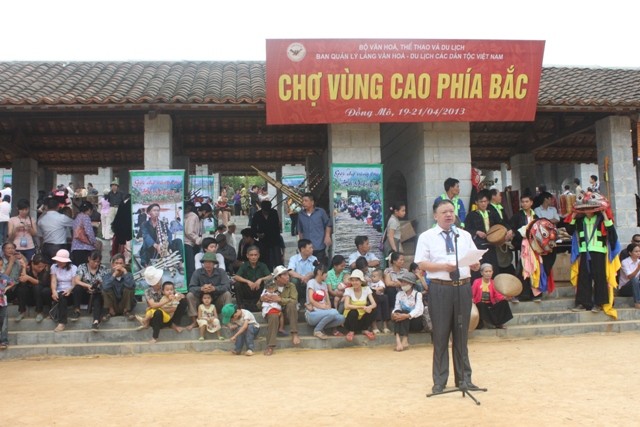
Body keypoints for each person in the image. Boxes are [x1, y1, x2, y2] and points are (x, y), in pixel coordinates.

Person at [415, 199, 482, 394]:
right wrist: (444, 267)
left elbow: (474, 258)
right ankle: (440, 381)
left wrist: (475, 264)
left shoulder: (464, 235)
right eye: (444, 212)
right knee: (441, 335)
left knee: (461, 335)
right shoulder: (427, 237)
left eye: (451, 211)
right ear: (435, 216)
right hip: (440, 288)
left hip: (462, 287)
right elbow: (422, 263)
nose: (449, 215)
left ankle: (464, 379)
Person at [566, 207, 620, 314]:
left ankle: (599, 304)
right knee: (583, 277)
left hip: (599, 251)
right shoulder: (580, 220)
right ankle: (583, 303)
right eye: (586, 208)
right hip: (584, 251)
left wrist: (605, 215)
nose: (587, 210)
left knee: (600, 277)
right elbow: (569, 231)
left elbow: (612, 233)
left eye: (590, 208)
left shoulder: (601, 219)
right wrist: (573, 216)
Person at [138, 266, 188, 339]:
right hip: (157, 315)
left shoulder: (165, 287)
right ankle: (155, 336)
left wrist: (179, 296)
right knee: (158, 312)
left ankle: (173, 323)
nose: (160, 281)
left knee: (183, 302)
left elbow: (178, 294)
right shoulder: (148, 291)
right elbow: (153, 305)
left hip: (169, 313)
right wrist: (166, 302)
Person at [262, 265, 301, 355]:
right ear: (278, 277)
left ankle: (294, 334)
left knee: (291, 305)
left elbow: (294, 300)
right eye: (285, 275)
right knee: (273, 315)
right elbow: (259, 304)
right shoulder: (270, 286)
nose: (288, 276)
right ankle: (270, 346)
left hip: (288, 315)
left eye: (288, 274)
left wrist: (280, 300)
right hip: (275, 314)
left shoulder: (291, 286)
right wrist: (263, 299)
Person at [187, 252, 232, 328]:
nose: (208, 264)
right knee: (189, 295)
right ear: (203, 263)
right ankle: (194, 321)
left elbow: (227, 286)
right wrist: (201, 288)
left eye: (210, 262)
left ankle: (227, 321)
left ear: (214, 264)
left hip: (216, 301)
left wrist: (215, 288)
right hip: (201, 303)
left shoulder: (221, 272)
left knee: (227, 294)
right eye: (205, 262)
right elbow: (191, 288)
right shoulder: (197, 272)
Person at [464, 189, 501, 277]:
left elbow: (500, 224)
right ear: (476, 202)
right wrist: (476, 232)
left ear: (488, 202)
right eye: (481, 202)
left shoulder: (492, 213)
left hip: (491, 245)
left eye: (485, 201)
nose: (483, 204)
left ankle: (492, 288)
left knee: (493, 268)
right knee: (479, 269)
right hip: (478, 247)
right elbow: (466, 229)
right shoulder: (471, 215)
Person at [305, 264, 345, 339]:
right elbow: (311, 300)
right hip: (312, 314)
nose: (327, 275)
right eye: (326, 272)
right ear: (320, 272)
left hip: (324, 312)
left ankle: (320, 327)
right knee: (333, 312)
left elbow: (328, 302)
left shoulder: (324, 284)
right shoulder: (311, 282)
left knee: (342, 318)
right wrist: (323, 307)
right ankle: (317, 330)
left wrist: (327, 307)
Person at [139, 203, 183, 267]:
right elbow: (146, 236)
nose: (156, 212)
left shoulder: (163, 223)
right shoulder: (144, 224)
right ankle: (147, 267)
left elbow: (169, 233)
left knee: (178, 241)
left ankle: (180, 264)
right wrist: (156, 245)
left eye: (158, 210)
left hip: (163, 247)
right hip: (152, 248)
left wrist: (167, 242)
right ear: (149, 213)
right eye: (154, 210)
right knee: (145, 244)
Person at [73, 250, 108, 331]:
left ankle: (96, 321)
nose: (96, 263)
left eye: (98, 262)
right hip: (85, 292)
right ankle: (77, 310)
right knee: (77, 288)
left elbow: (107, 282)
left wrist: (99, 284)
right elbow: (77, 280)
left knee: (98, 297)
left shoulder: (103, 268)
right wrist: (87, 286)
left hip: (97, 292)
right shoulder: (82, 267)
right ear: (89, 258)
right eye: (94, 261)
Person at [471, 264, 513, 329]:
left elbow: (497, 295)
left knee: (504, 302)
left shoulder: (493, 282)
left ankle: (499, 323)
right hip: (480, 304)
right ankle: (482, 323)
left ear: (492, 272)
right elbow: (472, 294)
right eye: (486, 271)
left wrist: (505, 298)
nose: (488, 273)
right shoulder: (477, 282)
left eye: (490, 271)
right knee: (481, 305)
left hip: (490, 304)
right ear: (482, 273)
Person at [391, 271, 425, 352]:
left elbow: (419, 310)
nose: (402, 284)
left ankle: (405, 339)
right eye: (402, 282)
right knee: (398, 312)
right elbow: (397, 307)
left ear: (411, 284)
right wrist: (394, 314)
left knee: (404, 313)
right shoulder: (399, 294)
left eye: (405, 282)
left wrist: (407, 316)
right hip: (403, 321)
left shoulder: (418, 294)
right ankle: (398, 340)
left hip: (415, 322)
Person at [297, 192, 332, 266]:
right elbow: (300, 231)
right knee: (308, 267)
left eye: (306, 201)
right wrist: (301, 245)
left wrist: (327, 236)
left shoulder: (321, 212)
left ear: (312, 202)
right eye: (303, 201)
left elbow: (328, 224)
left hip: (319, 245)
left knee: (320, 267)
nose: (303, 203)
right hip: (307, 249)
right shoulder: (301, 215)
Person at [233, 245, 271, 312]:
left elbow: (270, 276)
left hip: (259, 290)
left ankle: (263, 303)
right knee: (237, 284)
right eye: (251, 255)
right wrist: (248, 281)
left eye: (255, 255)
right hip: (248, 290)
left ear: (258, 255)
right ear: (247, 256)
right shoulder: (244, 266)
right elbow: (236, 277)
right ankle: (240, 306)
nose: (253, 257)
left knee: (268, 283)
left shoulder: (263, 265)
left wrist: (260, 279)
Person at [343, 269, 377, 341]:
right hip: (350, 321)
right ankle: (351, 331)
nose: (354, 282)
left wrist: (369, 307)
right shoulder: (348, 290)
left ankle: (365, 329)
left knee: (372, 310)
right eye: (353, 280)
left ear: (361, 281)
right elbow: (346, 306)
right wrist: (361, 307)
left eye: (357, 280)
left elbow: (374, 304)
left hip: (362, 319)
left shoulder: (366, 289)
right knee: (353, 312)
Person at [15, 254, 50, 322]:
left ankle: (39, 312)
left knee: (37, 287)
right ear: (33, 264)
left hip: (41, 296)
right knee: (21, 288)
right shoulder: (28, 268)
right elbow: (23, 281)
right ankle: (22, 312)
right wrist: (24, 268)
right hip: (30, 296)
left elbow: (42, 283)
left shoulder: (46, 269)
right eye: (39, 267)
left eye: (42, 266)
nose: (41, 268)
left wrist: (29, 278)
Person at [100, 253, 136, 321]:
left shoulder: (129, 275)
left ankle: (126, 311)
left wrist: (125, 271)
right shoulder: (107, 276)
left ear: (124, 264)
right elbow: (105, 287)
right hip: (113, 304)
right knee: (105, 289)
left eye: (121, 263)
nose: (118, 265)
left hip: (125, 304)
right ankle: (111, 312)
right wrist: (114, 275)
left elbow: (130, 286)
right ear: (112, 264)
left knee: (129, 289)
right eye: (116, 263)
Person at [37, 198, 74, 264]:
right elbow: (75, 224)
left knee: (47, 268)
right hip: (59, 246)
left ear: (47, 207)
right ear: (58, 207)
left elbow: (40, 234)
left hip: (46, 246)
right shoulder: (62, 217)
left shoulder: (41, 219)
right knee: (60, 267)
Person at [50, 249, 79, 332]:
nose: (59, 262)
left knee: (62, 297)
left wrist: (69, 290)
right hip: (58, 290)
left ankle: (62, 323)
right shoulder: (54, 267)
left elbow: (74, 283)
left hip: (69, 291)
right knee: (45, 291)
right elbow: (53, 280)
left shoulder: (73, 268)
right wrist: (54, 291)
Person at [251, 199, 282, 270]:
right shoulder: (257, 215)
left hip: (275, 239)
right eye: (264, 211)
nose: (266, 212)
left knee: (277, 260)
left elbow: (277, 227)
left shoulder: (274, 213)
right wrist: (257, 234)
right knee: (266, 259)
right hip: (263, 240)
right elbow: (253, 227)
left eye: (267, 211)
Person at [288, 239, 318, 305]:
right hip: (299, 281)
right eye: (310, 248)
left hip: (309, 280)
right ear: (302, 249)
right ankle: (296, 301)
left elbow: (316, 271)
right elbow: (290, 271)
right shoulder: (293, 258)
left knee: (315, 279)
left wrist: (308, 276)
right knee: (294, 280)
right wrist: (302, 277)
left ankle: (311, 301)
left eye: (312, 248)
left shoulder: (314, 259)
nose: (312, 249)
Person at [70, 201, 99, 266]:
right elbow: (89, 232)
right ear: (89, 210)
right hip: (85, 248)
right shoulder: (86, 217)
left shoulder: (77, 217)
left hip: (75, 247)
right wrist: (94, 243)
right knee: (84, 270)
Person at [183, 201, 202, 283]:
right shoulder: (193, 216)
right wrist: (198, 239)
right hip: (189, 243)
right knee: (190, 268)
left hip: (184, 243)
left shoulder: (184, 216)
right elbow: (189, 231)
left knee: (186, 267)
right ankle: (190, 286)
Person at [0, 257, 16, 350]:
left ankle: (4, 341)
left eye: (1, 265)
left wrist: (6, 289)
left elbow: (12, 283)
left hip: (2, 302)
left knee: (4, 323)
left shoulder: (4, 276)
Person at [618, 243, 640, 308]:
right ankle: (637, 303)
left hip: (636, 288)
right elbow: (630, 277)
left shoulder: (639, 261)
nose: (638, 253)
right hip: (624, 289)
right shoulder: (625, 262)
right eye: (636, 251)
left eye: (639, 251)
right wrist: (638, 268)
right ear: (630, 253)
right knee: (634, 279)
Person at [369, 268, 390, 334]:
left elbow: (382, 288)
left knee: (385, 298)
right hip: (372, 298)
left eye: (374, 276)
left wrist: (376, 289)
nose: (372, 278)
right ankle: (374, 326)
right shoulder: (370, 283)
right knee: (375, 300)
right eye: (372, 276)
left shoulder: (380, 282)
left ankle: (385, 326)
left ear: (380, 277)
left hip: (380, 297)